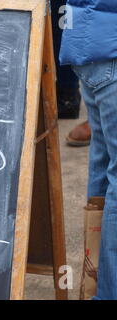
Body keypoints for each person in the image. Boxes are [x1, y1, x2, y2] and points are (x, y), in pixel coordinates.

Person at [60, 0, 117, 299]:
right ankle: (106, 292)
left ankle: (97, 285)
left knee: (104, 171)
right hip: (107, 39)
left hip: (89, 37)